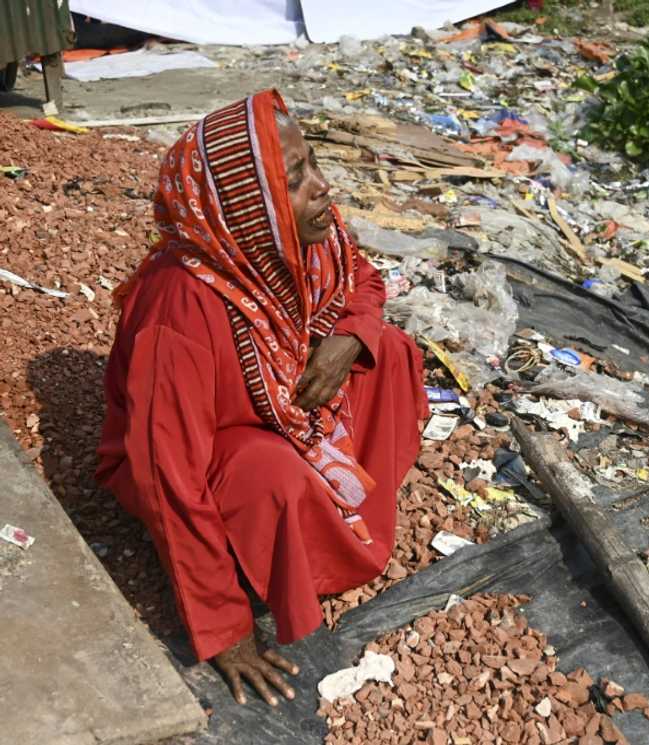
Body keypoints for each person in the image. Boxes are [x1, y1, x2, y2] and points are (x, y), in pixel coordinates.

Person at [97, 90, 428, 707]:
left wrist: (350, 337)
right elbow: (166, 475)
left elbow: (365, 280)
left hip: (281, 400)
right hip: (214, 447)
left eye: (313, 165)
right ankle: (281, 543)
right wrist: (225, 630)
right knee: (272, 473)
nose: (324, 187)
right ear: (252, 208)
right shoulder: (181, 309)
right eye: (297, 179)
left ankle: (341, 506)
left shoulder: (308, 239)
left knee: (392, 353)